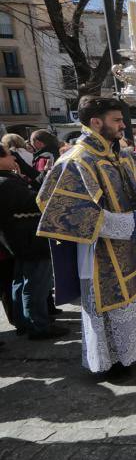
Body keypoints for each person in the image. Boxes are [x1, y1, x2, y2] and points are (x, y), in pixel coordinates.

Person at [36, 96, 136, 374]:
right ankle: (114, 361)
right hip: (100, 250)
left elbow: (130, 190)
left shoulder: (120, 154)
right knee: (111, 303)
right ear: (96, 122)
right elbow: (71, 212)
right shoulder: (76, 160)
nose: (122, 126)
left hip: (132, 242)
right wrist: (131, 221)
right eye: (116, 120)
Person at [0, 144, 68, 340]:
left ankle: (24, 322)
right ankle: (38, 326)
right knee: (36, 284)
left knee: (22, 281)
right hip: (30, 240)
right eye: (10, 155)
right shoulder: (7, 183)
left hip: (20, 241)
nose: (14, 158)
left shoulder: (8, 180)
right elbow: (38, 201)